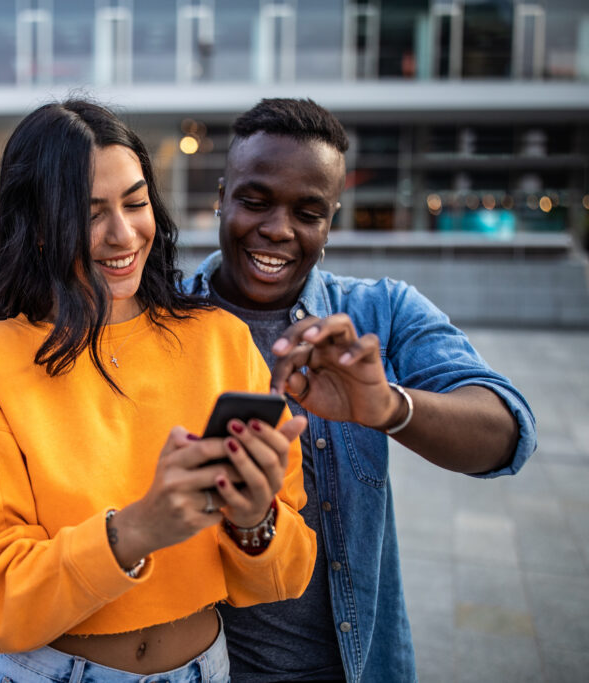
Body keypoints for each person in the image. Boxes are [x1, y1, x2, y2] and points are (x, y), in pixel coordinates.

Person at [0, 100, 318, 683]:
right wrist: (134, 532)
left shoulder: (221, 341)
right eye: (90, 213)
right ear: (36, 227)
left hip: (207, 668)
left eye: (136, 202)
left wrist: (255, 520)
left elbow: (286, 576)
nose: (123, 233)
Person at [184, 98, 537, 683]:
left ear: (331, 221)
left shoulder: (381, 309)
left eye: (308, 211)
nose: (277, 229)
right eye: (254, 200)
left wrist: (388, 407)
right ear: (221, 195)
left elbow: (508, 433)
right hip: (203, 668)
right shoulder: (157, 315)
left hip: (352, 667)